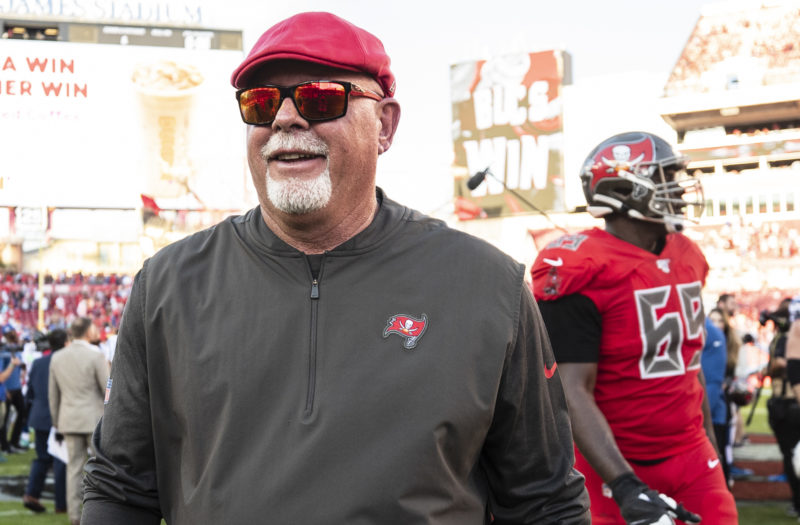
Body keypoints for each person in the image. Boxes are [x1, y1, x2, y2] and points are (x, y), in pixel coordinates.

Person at [82, 11, 590, 525]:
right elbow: (120, 488)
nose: (284, 118)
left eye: (320, 98)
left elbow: (544, 500)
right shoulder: (167, 284)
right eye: (260, 103)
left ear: (384, 124)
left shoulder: (487, 285)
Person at [531, 131, 738, 524]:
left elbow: (687, 369)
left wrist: (709, 447)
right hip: (611, 462)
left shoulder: (687, 254)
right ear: (627, 188)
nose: (677, 190)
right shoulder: (581, 267)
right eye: (665, 179)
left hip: (692, 454)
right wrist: (625, 484)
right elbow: (569, 391)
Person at [49, 318, 108, 525]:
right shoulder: (95, 355)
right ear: (88, 330)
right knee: (102, 468)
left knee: (73, 469)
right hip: (94, 420)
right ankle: (100, 513)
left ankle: (75, 516)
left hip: (69, 419)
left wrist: (56, 421)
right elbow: (107, 390)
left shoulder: (58, 357)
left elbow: (53, 394)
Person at [23, 329, 68, 515]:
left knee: (42, 458)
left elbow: (30, 393)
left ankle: (32, 495)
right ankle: (61, 504)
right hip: (58, 417)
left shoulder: (39, 363)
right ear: (65, 342)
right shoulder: (64, 362)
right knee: (60, 460)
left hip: (39, 416)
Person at [766, 296, 800, 517]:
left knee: (793, 457)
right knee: (791, 456)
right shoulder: (782, 338)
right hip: (787, 403)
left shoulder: (786, 338)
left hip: (789, 403)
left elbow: (782, 365)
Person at [701, 312, 731, 487]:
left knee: (715, 460)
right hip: (700, 410)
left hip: (711, 412)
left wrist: (702, 413)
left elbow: (713, 380)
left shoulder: (712, 333)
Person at [0, 328, 27, 453]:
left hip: (16, 387)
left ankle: (14, 442)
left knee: (22, 414)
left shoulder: (16, 348)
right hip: (7, 389)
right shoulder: (4, 350)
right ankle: (5, 446)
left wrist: (22, 369)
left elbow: (20, 363)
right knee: (4, 419)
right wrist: (5, 388)